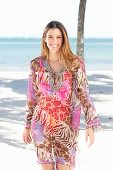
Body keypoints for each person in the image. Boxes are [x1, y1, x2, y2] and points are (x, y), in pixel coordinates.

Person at [23, 21, 101, 170]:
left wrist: (90, 124)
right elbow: (31, 98)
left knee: (64, 167)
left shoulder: (75, 64)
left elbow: (84, 94)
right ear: (44, 39)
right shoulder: (36, 65)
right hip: (41, 123)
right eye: (50, 37)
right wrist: (27, 125)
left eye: (58, 37)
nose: (54, 41)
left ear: (64, 39)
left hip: (66, 125)